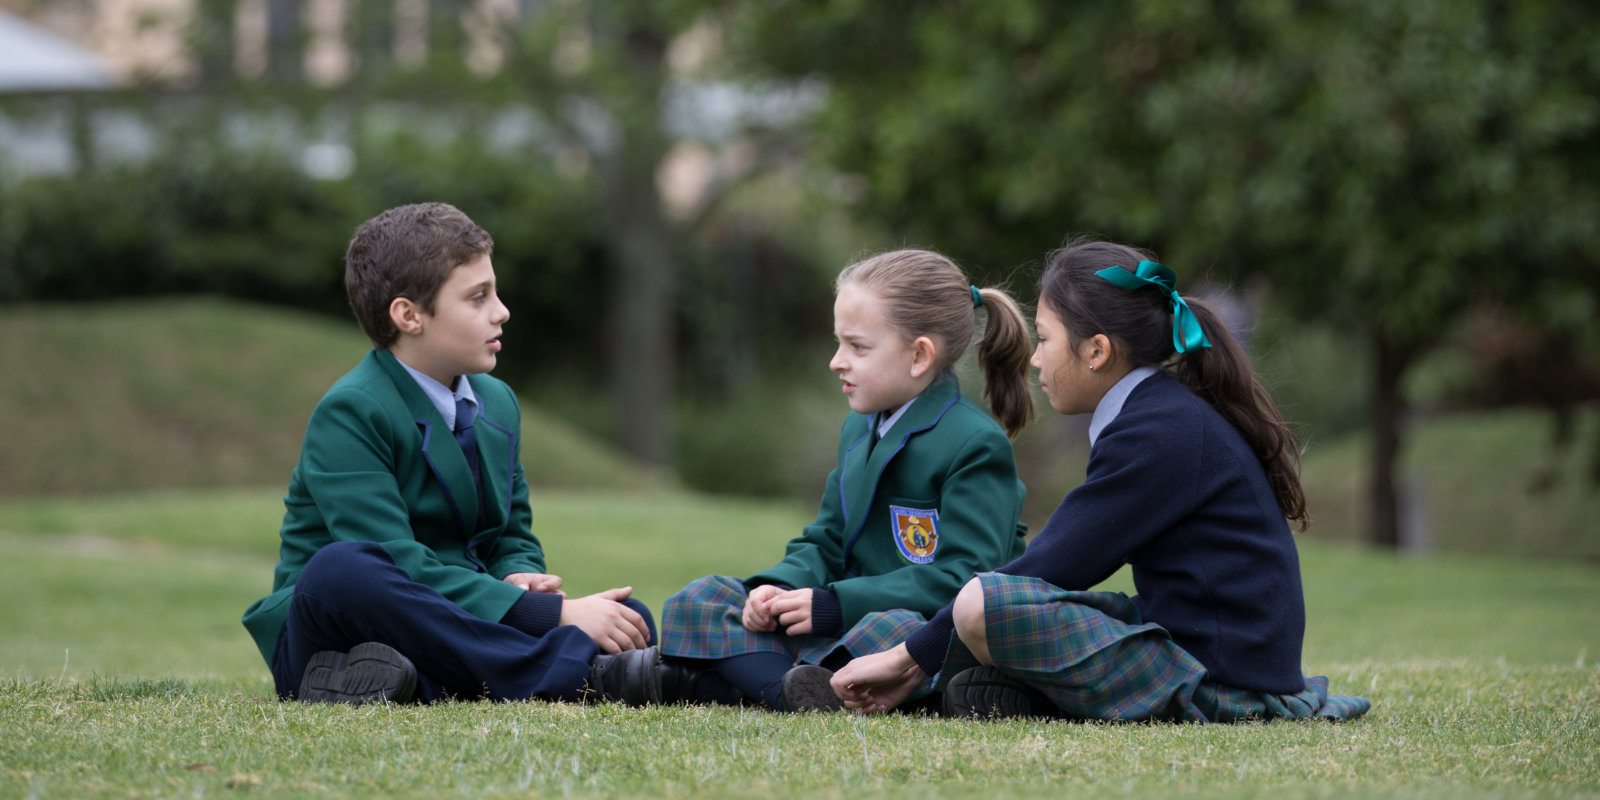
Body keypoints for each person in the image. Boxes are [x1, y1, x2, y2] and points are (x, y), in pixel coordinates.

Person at [830, 239, 1373, 723]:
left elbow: (1054, 565)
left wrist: (911, 656)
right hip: (1188, 644)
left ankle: (932, 679)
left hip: (1222, 678)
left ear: (1096, 351)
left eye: (1044, 340)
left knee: (983, 604)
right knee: (987, 605)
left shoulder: (1159, 433)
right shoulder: (1156, 415)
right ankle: (990, 688)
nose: (1035, 360)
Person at [241, 202, 666, 706]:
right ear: (409, 316)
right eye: (478, 297)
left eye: (495, 291)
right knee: (341, 568)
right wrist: (549, 617)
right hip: (333, 629)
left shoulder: (498, 402)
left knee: (628, 615)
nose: (501, 310)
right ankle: (577, 676)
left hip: (449, 621)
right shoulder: (351, 410)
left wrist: (519, 576)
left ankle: (403, 681)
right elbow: (397, 563)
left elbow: (510, 534)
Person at [648, 249, 1036, 712]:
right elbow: (827, 539)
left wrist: (833, 604)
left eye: (857, 347)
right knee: (704, 598)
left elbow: (964, 581)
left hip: (913, 631)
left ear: (918, 356)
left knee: (891, 630)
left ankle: (729, 682)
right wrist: (778, 590)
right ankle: (794, 688)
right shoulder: (860, 427)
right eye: (838, 343)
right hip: (837, 621)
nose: (837, 361)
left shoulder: (975, 444)